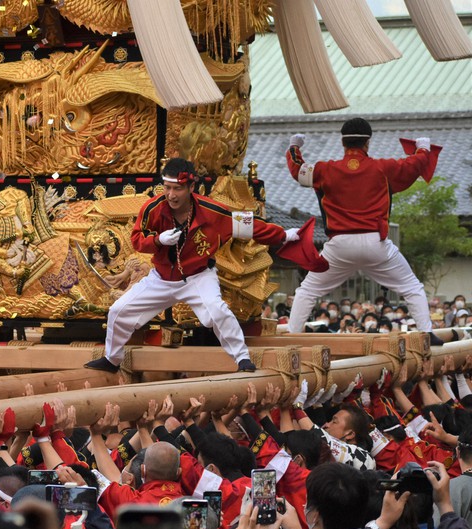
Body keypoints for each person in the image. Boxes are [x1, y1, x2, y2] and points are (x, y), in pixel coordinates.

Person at [85, 158, 299, 373]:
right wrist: (158, 240)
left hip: (198, 276)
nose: (171, 195)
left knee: (217, 310)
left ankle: (242, 358)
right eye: (167, 188)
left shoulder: (213, 211)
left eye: (177, 188)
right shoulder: (153, 208)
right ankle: (112, 359)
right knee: (118, 310)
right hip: (161, 278)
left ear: (191, 187)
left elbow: (250, 226)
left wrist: (283, 235)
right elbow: (137, 240)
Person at [285, 118, 444, 347]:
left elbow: (297, 169)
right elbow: (415, 165)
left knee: (307, 291)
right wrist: (423, 148)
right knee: (412, 288)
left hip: (339, 245)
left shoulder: (324, 169)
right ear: (367, 143)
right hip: (375, 243)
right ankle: (427, 333)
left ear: (343, 143)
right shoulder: (384, 168)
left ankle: (292, 337)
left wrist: (294, 146)